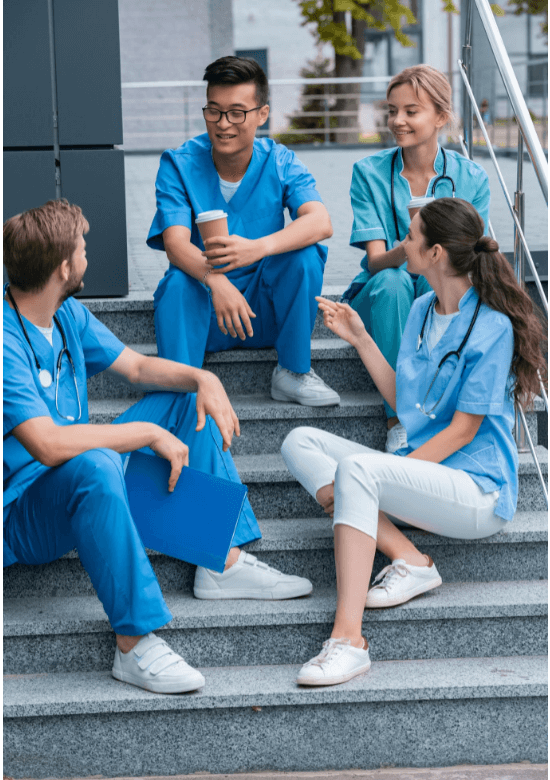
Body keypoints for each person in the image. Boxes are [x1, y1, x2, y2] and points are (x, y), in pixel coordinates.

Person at [3, 199, 313, 695]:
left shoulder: (66, 317)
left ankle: (220, 560)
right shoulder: (5, 339)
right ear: (63, 267)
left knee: (182, 401)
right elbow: (47, 443)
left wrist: (202, 377)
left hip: (82, 473)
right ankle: (134, 643)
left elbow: (138, 369)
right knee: (99, 462)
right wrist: (145, 435)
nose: (88, 254)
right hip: (23, 514)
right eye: (82, 246)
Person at [282, 198, 547, 687]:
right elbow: (406, 401)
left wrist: (383, 475)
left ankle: (348, 642)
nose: (403, 242)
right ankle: (409, 559)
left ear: (437, 253)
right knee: (299, 441)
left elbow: (463, 431)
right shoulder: (423, 308)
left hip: (477, 492)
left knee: (360, 471)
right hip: (424, 473)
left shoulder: (491, 326)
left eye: (411, 235)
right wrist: (360, 338)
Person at [147, 56, 340, 407]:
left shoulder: (279, 161)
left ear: (262, 115)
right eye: (214, 111)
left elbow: (320, 221)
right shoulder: (179, 163)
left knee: (305, 254)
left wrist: (257, 248)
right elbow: (175, 244)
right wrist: (215, 280)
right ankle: (179, 390)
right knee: (176, 283)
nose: (223, 124)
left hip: (261, 313)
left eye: (237, 112)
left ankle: (293, 372)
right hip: (205, 312)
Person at [343, 65, 491, 454]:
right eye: (392, 111)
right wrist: (414, 244)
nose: (397, 120)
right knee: (394, 282)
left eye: (411, 111)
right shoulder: (369, 173)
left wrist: (426, 254)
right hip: (377, 290)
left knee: (437, 278)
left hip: (437, 284)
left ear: (441, 116)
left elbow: (469, 263)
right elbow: (375, 262)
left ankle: (444, 406)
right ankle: (399, 421)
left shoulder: (471, 177)